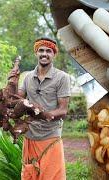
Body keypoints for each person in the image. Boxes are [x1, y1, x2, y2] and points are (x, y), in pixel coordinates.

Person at [16, 37, 71, 180]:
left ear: (54, 54)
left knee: (52, 176)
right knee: (29, 175)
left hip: (50, 136)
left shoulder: (62, 77)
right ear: (36, 53)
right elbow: (17, 99)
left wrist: (43, 114)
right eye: (41, 50)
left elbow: (63, 110)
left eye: (48, 51)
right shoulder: (28, 77)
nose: (44, 54)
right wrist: (12, 81)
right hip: (30, 137)